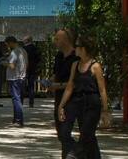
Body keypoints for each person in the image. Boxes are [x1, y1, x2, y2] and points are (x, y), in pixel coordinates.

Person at [57, 34, 110, 159]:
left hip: (92, 104)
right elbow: (70, 86)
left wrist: (105, 110)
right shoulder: (75, 65)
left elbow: (102, 90)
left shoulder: (95, 66)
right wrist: (61, 105)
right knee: (67, 132)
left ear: (85, 48)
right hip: (77, 102)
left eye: (78, 46)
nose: (75, 49)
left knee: (86, 133)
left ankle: (74, 154)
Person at [50, 29, 78, 159]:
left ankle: (75, 153)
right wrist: (50, 82)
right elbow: (56, 75)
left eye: (57, 39)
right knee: (61, 132)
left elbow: (75, 82)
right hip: (58, 97)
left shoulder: (76, 57)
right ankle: (71, 153)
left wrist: (58, 85)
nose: (55, 41)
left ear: (66, 40)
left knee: (65, 131)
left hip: (73, 99)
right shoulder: (58, 56)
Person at [5, 36, 29, 126]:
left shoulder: (14, 52)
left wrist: (5, 63)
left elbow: (12, 66)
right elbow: (27, 64)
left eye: (7, 44)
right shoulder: (23, 51)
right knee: (19, 98)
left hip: (14, 78)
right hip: (22, 77)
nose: (7, 46)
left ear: (11, 42)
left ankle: (19, 119)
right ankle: (16, 118)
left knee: (16, 99)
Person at [23, 36, 43, 108]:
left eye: (24, 39)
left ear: (27, 40)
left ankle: (21, 102)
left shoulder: (23, 49)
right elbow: (39, 59)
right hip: (33, 69)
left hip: (24, 69)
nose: (23, 40)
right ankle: (31, 103)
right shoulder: (36, 49)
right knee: (31, 86)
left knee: (22, 85)